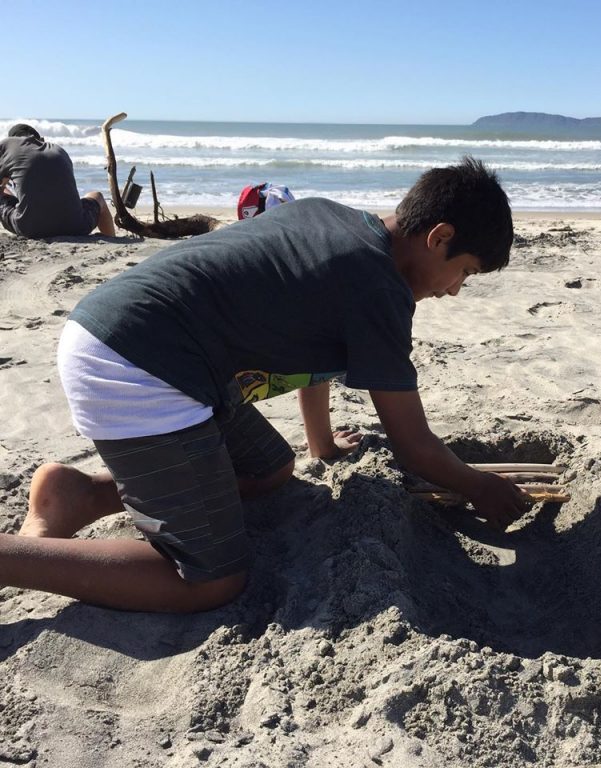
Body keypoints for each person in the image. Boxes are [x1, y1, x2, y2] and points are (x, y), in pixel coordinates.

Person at [0, 156, 527, 614]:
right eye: (465, 273)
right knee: (210, 579)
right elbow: (413, 443)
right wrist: (480, 487)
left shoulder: (334, 221)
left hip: (138, 333)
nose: (455, 291)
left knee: (268, 470)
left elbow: (319, 349)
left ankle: (81, 495)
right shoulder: (380, 290)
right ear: (439, 238)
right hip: (135, 366)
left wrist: (321, 444)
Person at [0, 123, 115, 239]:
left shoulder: (7, 146)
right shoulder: (59, 150)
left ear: (12, 139)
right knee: (97, 196)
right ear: (41, 140)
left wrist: (4, 182)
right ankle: (112, 238)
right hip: (76, 226)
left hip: (30, 228)